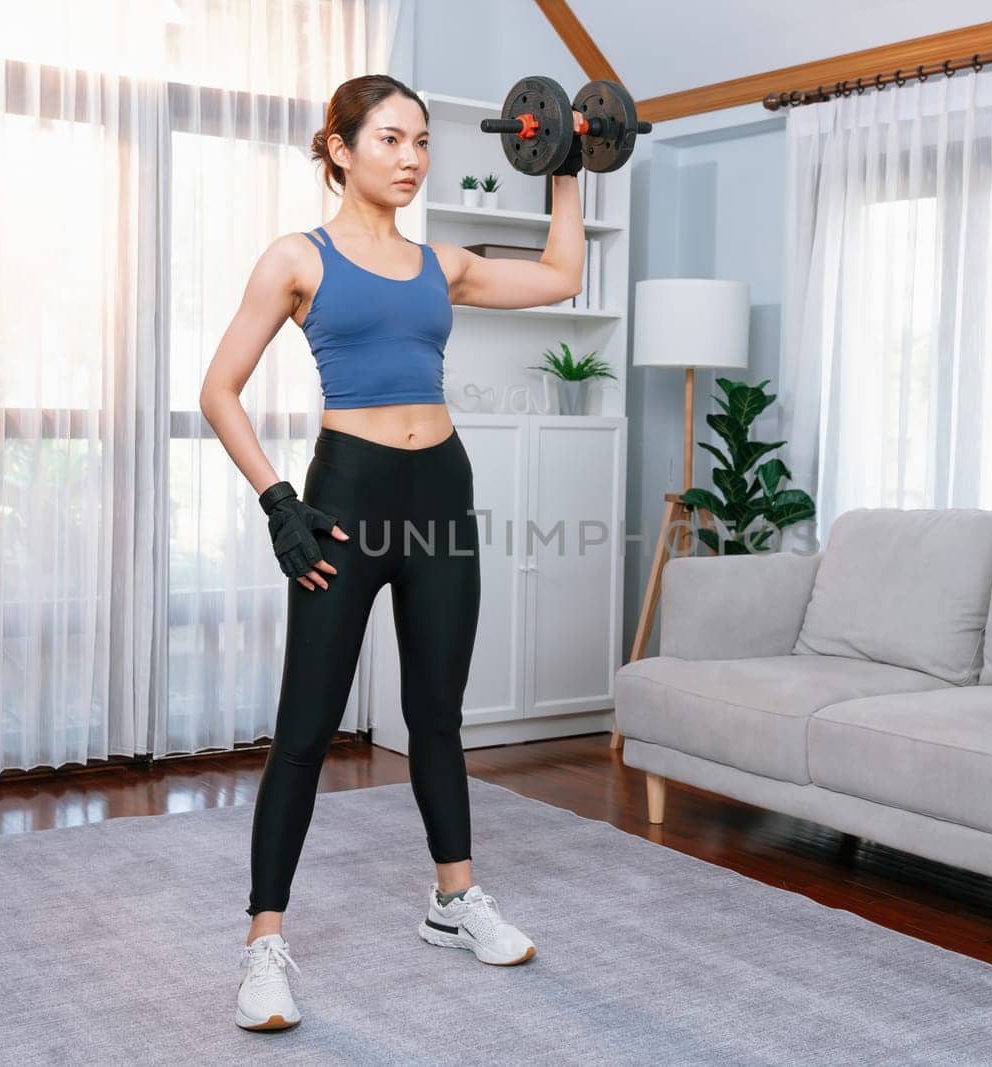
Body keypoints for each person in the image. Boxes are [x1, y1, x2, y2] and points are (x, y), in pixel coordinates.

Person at [198, 73, 586, 1032]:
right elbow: (219, 388)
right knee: (306, 728)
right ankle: (263, 944)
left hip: (440, 494)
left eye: (421, 143)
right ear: (339, 149)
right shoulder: (299, 257)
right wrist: (280, 503)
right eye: (390, 141)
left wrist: (568, 166)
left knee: (436, 715)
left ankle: (454, 900)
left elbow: (562, 276)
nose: (411, 158)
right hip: (346, 500)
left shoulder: (441, 264)